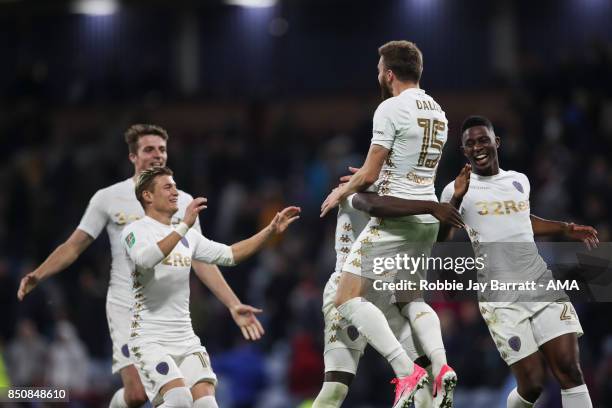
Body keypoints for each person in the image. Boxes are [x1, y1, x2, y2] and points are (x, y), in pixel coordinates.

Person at [17, 124, 265, 408]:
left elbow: (201, 258)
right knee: (137, 394)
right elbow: (74, 245)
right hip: (126, 306)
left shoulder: (181, 201)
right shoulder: (108, 198)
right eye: (149, 149)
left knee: (179, 395)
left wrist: (232, 304)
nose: (157, 155)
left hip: (169, 313)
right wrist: (39, 274)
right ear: (133, 157)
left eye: (162, 149)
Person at [320, 40, 457, 408]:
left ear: (389, 73)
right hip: (426, 221)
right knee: (411, 298)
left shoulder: (390, 107)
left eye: (380, 69)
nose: (378, 75)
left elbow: (368, 173)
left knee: (345, 297)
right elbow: (410, 170)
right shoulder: (439, 112)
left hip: (396, 222)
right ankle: (441, 366)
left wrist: (341, 192)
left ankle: (405, 370)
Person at [440, 115, 598, 408]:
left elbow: (521, 221)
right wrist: (455, 200)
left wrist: (565, 228)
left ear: (495, 142)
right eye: (470, 143)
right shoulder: (456, 189)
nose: (478, 147)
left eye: (483, 139)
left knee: (569, 369)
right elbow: (442, 237)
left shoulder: (518, 181)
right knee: (533, 384)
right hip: (500, 295)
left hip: (540, 283)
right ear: (464, 151)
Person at [121, 166, 299, 407]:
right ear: (148, 196)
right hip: (150, 338)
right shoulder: (134, 231)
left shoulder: (188, 236)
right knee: (179, 399)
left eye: (175, 186)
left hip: (185, 337)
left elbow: (230, 254)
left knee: (207, 404)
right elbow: (145, 259)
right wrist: (184, 225)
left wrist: (269, 232)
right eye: (167, 187)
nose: (175, 191)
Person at [313, 187, 464, 408]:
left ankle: (414, 373)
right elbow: (374, 205)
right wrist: (433, 206)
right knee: (335, 387)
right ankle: (409, 372)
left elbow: (438, 234)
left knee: (426, 377)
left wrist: (449, 203)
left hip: (387, 289)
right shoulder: (360, 195)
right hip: (348, 288)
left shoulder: (401, 193)